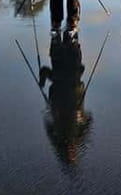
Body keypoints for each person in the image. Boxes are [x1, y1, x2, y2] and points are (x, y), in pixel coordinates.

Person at [38, 32, 93, 167]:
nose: (71, 151)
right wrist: (81, 116)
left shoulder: (59, 138)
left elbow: (89, 120)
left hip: (66, 80)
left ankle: (61, 34)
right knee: (70, 43)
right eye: (73, 154)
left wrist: (42, 82)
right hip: (69, 80)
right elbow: (89, 120)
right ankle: (66, 34)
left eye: (69, 154)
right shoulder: (76, 138)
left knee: (63, 43)